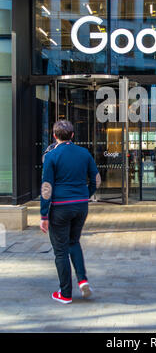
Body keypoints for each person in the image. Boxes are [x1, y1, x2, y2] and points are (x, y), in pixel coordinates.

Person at [39, 120, 101, 304]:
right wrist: (85, 195)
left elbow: (47, 187)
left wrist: (44, 215)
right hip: (80, 206)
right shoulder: (84, 153)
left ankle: (65, 293)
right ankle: (82, 280)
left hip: (60, 207)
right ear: (73, 135)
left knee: (60, 252)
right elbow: (96, 180)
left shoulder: (51, 156)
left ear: (54, 136)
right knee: (73, 242)